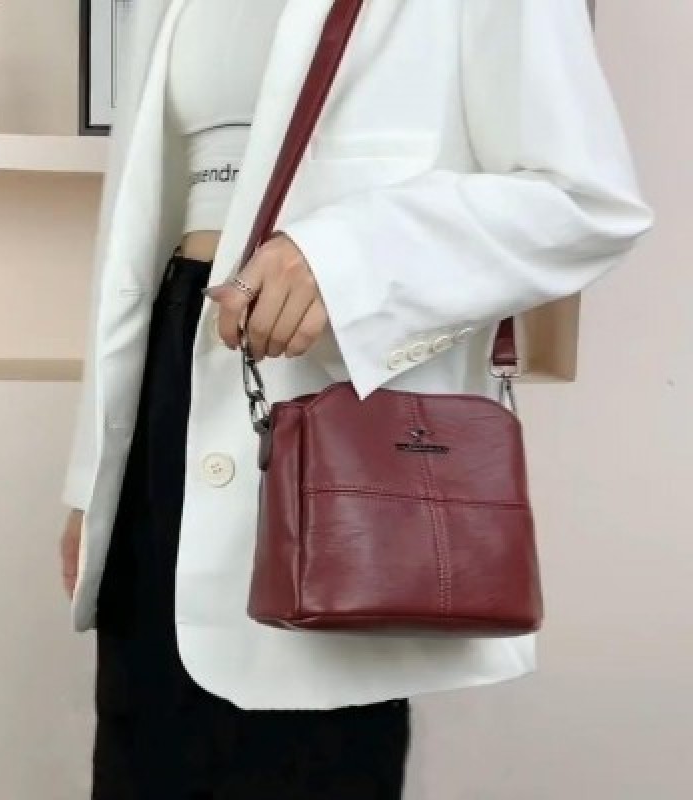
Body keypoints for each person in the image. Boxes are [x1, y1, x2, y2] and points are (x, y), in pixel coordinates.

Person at [59, 1, 654, 797]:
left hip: (330, 408)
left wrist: (342, 257)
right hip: (169, 379)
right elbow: (134, 227)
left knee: (310, 757)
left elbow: (587, 200)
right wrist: (93, 478)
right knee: (144, 761)